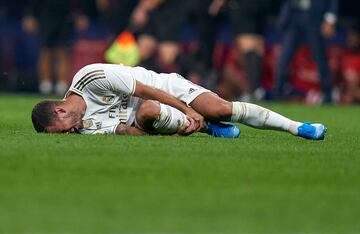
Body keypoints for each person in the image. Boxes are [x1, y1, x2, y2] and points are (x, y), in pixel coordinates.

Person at [31, 63, 327, 140]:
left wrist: (186, 109)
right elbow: (128, 131)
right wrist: (173, 130)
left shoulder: (91, 77)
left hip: (165, 87)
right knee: (147, 113)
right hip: (152, 114)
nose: (70, 134)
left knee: (222, 108)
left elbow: (146, 89)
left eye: (63, 129)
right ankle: (201, 128)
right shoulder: (84, 128)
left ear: (59, 110)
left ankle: (296, 127)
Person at [272, 0, 338, 103]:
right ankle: (276, 94)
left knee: (320, 58)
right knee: (284, 58)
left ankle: (328, 96)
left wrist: (330, 19)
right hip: (294, 16)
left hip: (315, 17)